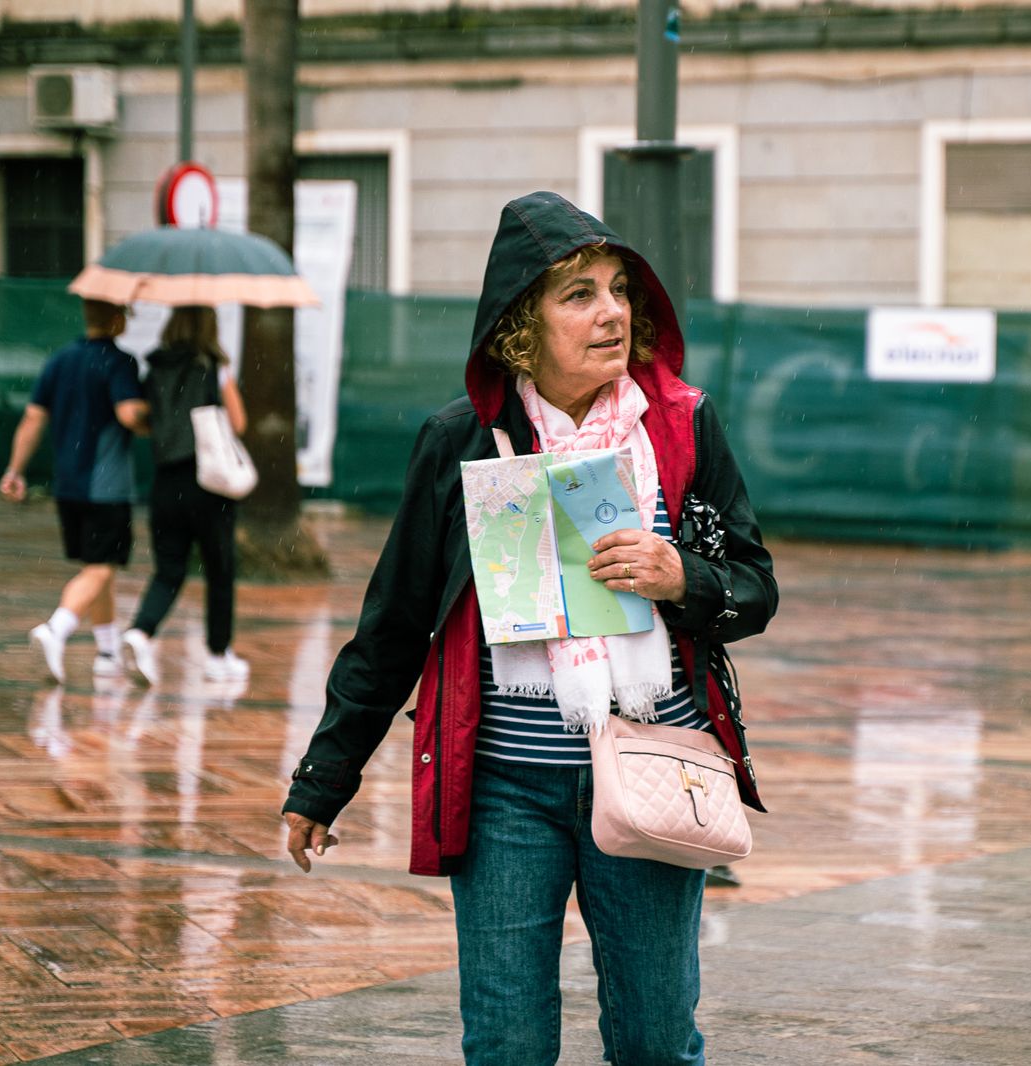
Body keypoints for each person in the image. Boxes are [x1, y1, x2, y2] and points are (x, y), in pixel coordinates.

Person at [281, 190, 777, 1065]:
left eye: (619, 289)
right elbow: (394, 622)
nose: (612, 312)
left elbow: (754, 588)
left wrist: (681, 577)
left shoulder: (681, 428)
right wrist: (326, 777)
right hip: (507, 789)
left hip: (653, 775)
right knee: (506, 1045)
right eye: (578, 294)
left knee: (656, 1044)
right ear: (521, 326)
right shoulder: (462, 442)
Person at [0, 299, 149, 684]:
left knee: (98, 568)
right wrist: (160, 417)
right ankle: (56, 630)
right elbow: (129, 414)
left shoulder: (60, 360)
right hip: (107, 487)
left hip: (68, 485)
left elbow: (33, 417)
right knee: (102, 567)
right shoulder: (120, 363)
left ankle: (107, 651)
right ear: (116, 319)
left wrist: (15, 469)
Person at [118, 305, 250, 686]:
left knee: (169, 569)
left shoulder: (155, 367)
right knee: (219, 569)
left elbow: (147, 419)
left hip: (165, 482)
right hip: (209, 481)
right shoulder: (213, 365)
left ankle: (140, 632)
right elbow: (238, 423)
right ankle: (218, 654)